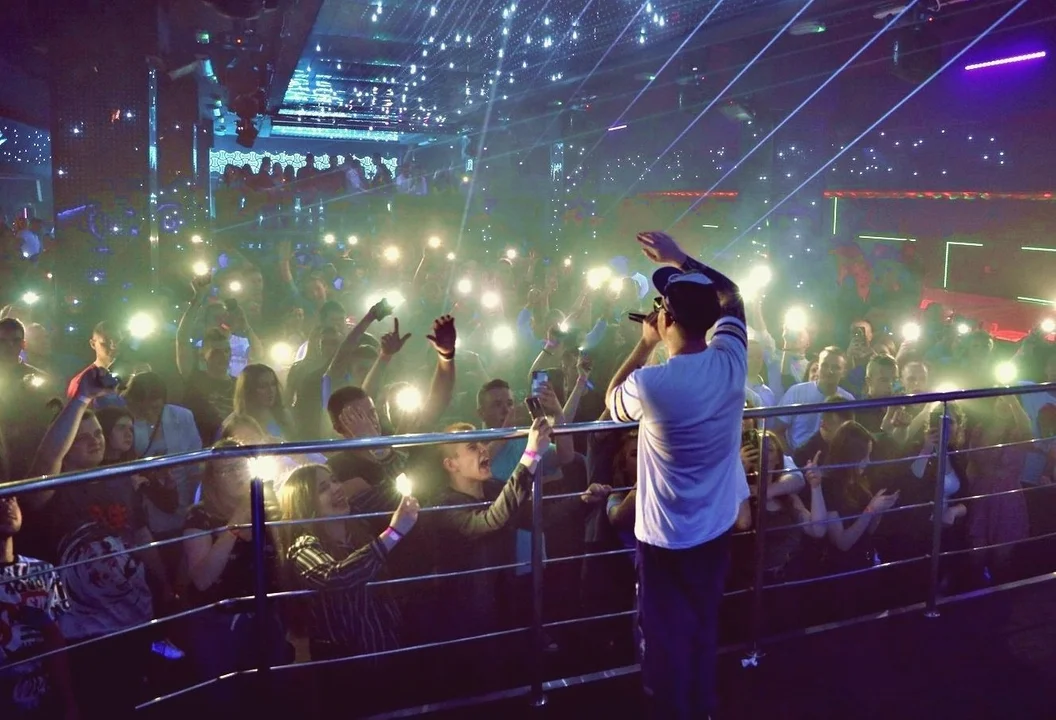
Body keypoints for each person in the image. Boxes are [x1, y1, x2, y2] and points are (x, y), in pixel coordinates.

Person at [606, 230, 748, 720]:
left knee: (663, 643)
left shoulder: (653, 383)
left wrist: (643, 346)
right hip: (715, 528)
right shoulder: (731, 360)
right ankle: (703, 707)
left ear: (664, 318)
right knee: (703, 627)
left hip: (665, 539)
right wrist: (681, 258)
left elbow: (612, 402)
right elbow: (734, 294)